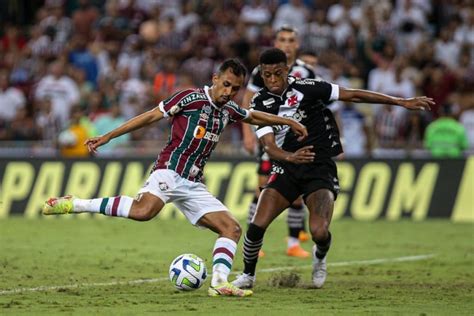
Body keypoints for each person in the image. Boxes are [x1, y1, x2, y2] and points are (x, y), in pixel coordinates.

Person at [42, 59, 309, 297]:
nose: (229, 92)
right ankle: (75, 203)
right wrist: (108, 136)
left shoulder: (228, 109)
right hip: (169, 170)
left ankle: (219, 282)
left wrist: (288, 122)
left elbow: (252, 115)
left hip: (193, 184)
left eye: (235, 88)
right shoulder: (190, 98)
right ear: (215, 79)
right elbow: (149, 116)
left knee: (231, 228)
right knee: (144, 211)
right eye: (226, 84)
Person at [232, 48, 434, 290]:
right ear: (261, 75)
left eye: (278, 73)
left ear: (287, 70)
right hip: (286, 167)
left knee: (318, 230)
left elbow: (353, 95)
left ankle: (319, 257)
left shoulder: (308, 86)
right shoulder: (260, 102)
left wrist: (399, 101)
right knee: (256, 225)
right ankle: (248, 275)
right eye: (267, 75)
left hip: (319, 168)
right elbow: (269, 147)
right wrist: (291, 157)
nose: (273, 80)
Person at [242, 25, 316, 258]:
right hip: (270, 136)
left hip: (296, 140)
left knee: (296, 192)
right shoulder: (260, 71)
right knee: (263, 188)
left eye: (290, 39)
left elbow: (317, 107)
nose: (286, 43)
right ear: (276, 43)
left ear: (297, 44)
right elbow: (247, 100)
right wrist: (247, 134)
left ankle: (293, 243)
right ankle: (254, 240)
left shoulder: (307, 72)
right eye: (282, 39)